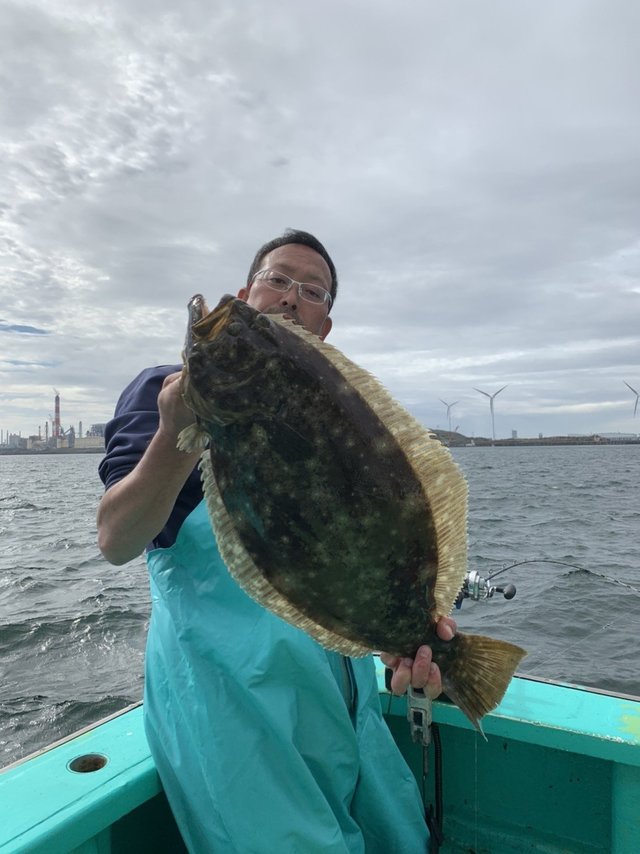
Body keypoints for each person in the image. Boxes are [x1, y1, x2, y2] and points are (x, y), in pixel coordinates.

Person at [97, 229, 457, 853]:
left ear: (325, 326)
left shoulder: (339, 423)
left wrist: (403, 638)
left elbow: (356, 549)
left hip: (344, 705)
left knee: (394, 837)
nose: (291, 297)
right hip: (231, 711)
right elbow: (116, 538)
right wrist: (178, 429)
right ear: (246, 292)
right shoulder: (164, 393)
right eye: (277, 279)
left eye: (311, 291)